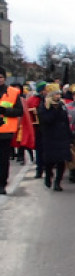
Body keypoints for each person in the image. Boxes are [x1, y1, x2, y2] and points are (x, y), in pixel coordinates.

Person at [38, 84, 73, 191]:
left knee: (61, 161)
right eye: (56, 94)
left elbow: (66, 121)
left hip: (62, 137)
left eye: (59, 93)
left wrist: (70, 137)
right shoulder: (44, 106)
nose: (59, 96)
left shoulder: (61, 105)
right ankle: (48, 176)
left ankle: (58, 182)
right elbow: (47, 120)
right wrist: (56, 110)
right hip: (50, 137)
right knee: (50, 161)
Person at [0, 66, 25, 195]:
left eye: (1, 77)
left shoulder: (13, 92)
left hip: (5, 131)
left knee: (3, 159)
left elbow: (20, 111)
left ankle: (2, 184)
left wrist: (5, 111)